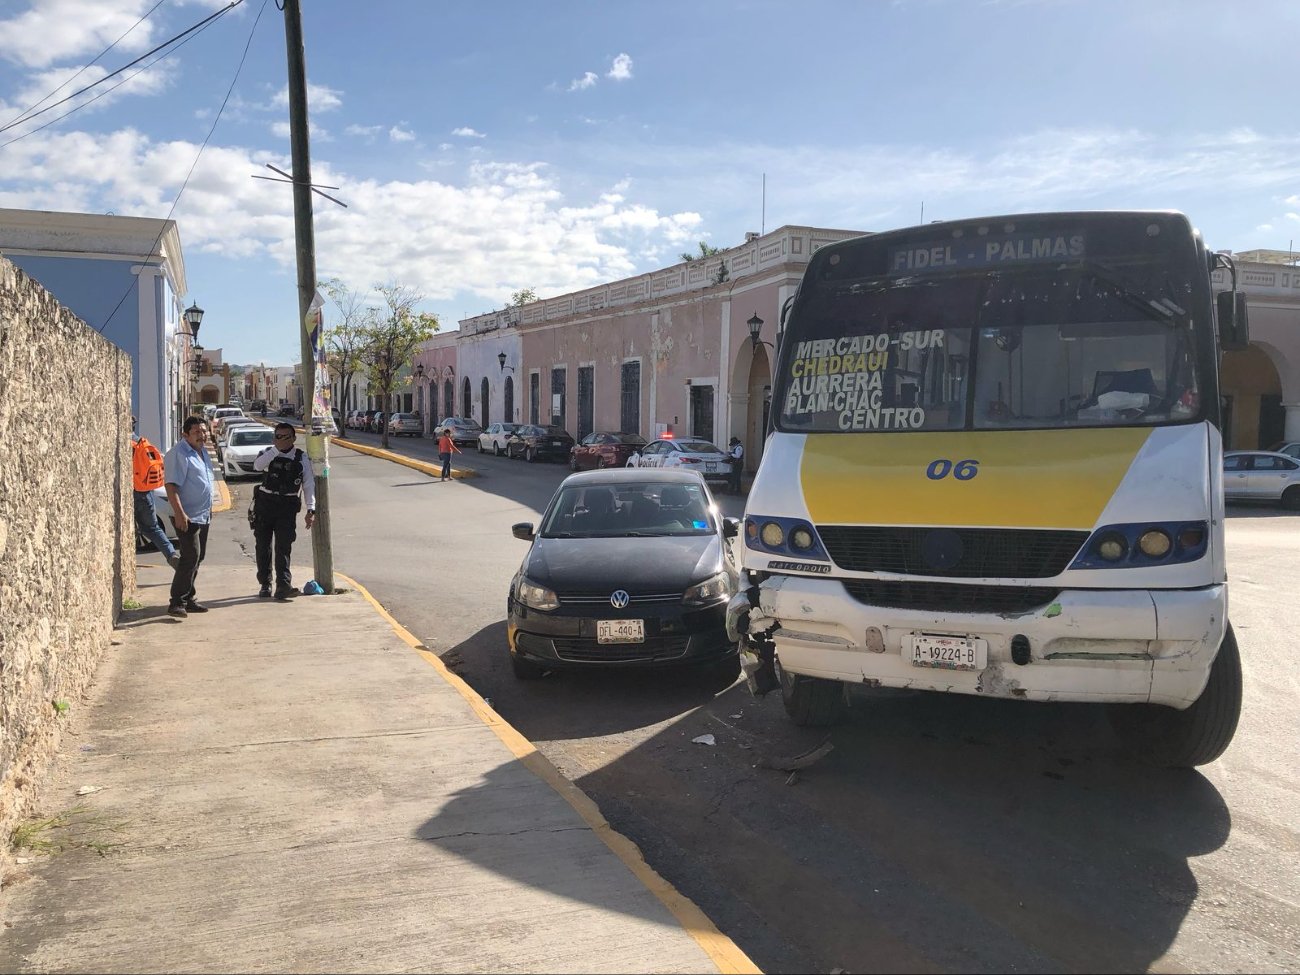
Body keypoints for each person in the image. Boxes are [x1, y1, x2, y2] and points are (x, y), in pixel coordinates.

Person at [252, 423, 316, 600]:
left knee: (283, 546)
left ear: (294, 439)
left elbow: (309, 484)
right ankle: (265, 584)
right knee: (263, 546)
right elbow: (257, 466)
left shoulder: (301, 458)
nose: (282, 440)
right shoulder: (268, 453)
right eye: (278, 436)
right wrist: (275, 450)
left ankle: (283, 585)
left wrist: (311, 509)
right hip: (265, 503)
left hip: (287, 505)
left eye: (286, 436)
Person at [163, 416, 214, 619]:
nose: (202, 435)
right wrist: (180, 513)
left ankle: (189, 598)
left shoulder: (201, 451)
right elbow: (171, 485)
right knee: (190, 556)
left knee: (198, 557)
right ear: (185, 435)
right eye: (197, 432)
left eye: (204, 431)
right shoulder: (179, 454)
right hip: (187, 515)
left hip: (202, 514)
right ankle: (177, 602)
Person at [131, 417, 179, 568]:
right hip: (145, 492)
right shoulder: (141, 443)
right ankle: (171, 554)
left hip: (131, 491)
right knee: (152, 528)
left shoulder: (122, 444)